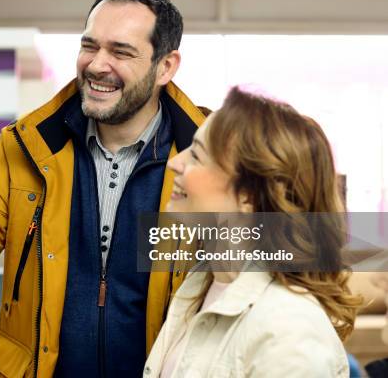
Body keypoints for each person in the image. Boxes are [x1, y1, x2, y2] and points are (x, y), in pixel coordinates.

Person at [0, 0, 205, 378]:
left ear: (165, 67)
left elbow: (281, 266)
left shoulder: (213, 156)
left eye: (121, 51)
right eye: (89, 45)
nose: (96, 64)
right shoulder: (24, 148)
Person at [143, 86, 362, 377]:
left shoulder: (289, 331)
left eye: (196, 155)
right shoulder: (200, 284)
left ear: (248, 196)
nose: (175, 163)